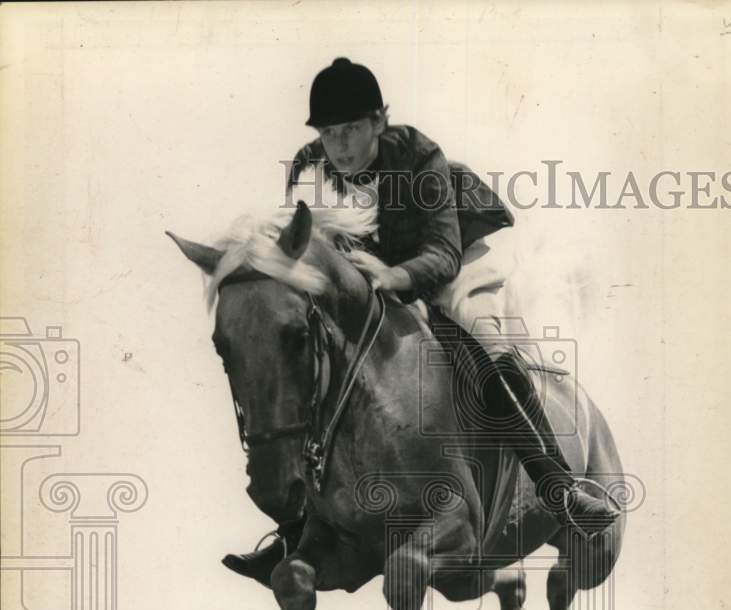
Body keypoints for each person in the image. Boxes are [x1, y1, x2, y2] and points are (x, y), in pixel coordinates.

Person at [223, 58, 618, 581]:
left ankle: (559, 487)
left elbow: (442, 255)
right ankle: (298, 530)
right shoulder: (309, 169)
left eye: (352, 130)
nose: (339, 146)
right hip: (376, 282)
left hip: (454, 265)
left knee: (489, 354)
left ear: (379, 122)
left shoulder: (419, 156)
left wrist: (393, 277)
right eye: (330, 133)